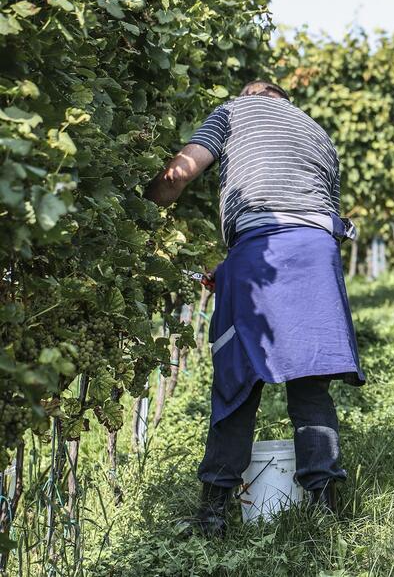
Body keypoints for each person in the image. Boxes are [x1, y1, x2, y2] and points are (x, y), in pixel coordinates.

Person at [144, 80, 365, 536]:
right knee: (310, 381)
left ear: (249, 95)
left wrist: (142, 211)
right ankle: (324, 508)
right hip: (316, 252)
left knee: (237, 380)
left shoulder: (232, 112)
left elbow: (180, 174)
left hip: (260, 247)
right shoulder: (317, 131)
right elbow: (316, 218)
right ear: (285, 102)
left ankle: (213, 514)